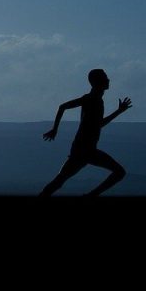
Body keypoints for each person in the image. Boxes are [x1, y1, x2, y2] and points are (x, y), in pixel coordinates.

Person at [39, 69, 131, 197]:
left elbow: (98, 124)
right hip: (85, 149)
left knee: (59, 181)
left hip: (82, 149)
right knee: (119, 172)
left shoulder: (97, 100)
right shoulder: (90, 99)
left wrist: (118, 111)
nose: (108, 80)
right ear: (96, 82)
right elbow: (62, 107)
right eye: (104, 77)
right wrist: (55, 129)